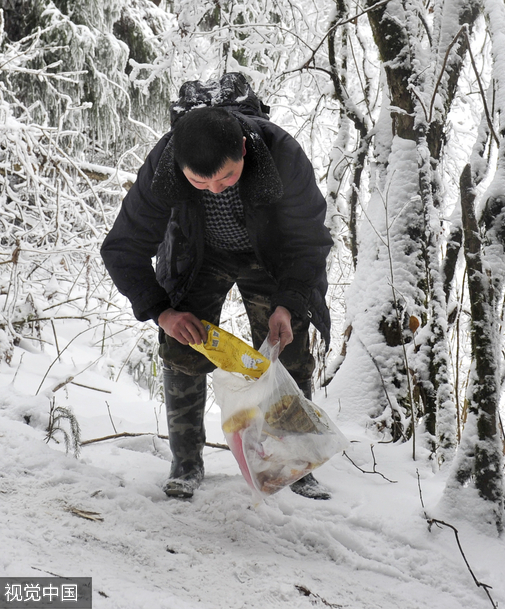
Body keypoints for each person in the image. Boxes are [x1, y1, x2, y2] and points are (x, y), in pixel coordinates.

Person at [101, 103, 333, 500]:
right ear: (180, 166)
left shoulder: (282, 155)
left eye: (226, 178)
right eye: (200, 183)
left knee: (287, 349)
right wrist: (163, 312)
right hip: (200, 255)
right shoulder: (164, 165)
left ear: (243, 149)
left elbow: (309, 241)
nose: (215, 189)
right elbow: (122, 247)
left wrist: (289, 304)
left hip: (271, 256)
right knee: (183, 346)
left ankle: (296, 463)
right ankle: (186, 461)